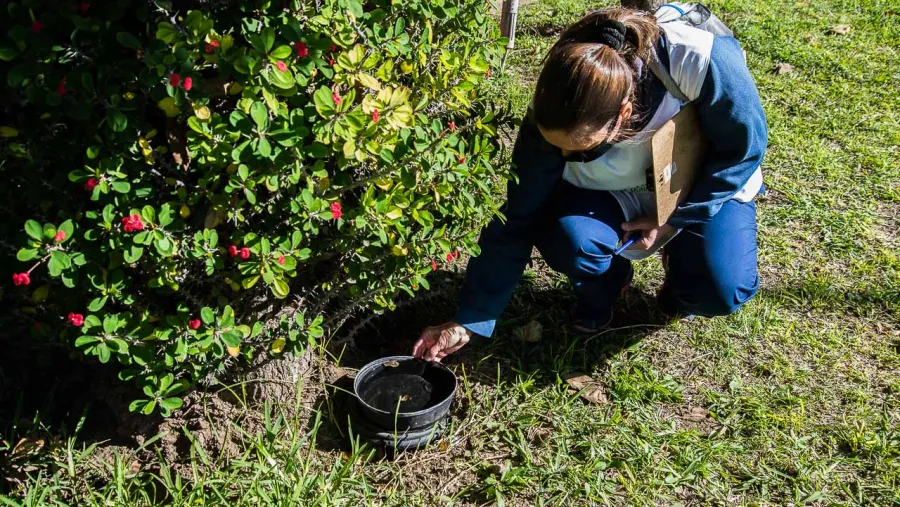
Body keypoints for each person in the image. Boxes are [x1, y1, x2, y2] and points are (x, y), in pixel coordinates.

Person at [412, 7, 767, 362]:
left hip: (697, 180)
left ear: (624, 114)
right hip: (612, 190)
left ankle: (682, 284)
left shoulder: (698, 59)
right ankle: (610, 283)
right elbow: (517, 218)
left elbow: (743, 151)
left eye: (580, 149)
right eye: (556, 147)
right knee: (570, 241)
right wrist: (469, 320)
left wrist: (674, 218)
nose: (562, 155)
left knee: (720, 287)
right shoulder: (555, 108)